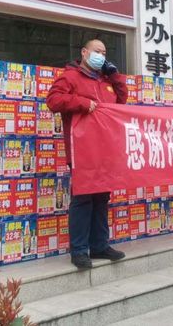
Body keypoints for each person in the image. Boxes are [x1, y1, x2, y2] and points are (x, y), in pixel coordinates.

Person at [46, 39, 128, 270]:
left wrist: (115, 76)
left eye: (104, 52)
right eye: (96, 51)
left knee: (101, 199)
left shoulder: (105, 81)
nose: (101, 55)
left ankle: (99, 245)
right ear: (84, 52)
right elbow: (53, 100)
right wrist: (81, 102)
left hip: (104, 150)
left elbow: (121, 101)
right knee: (83, 199)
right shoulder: (70, 76)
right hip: (82, 151)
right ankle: (80, 250)